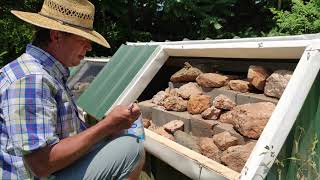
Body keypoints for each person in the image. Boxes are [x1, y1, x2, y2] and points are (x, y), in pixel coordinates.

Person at [0, 0, 145, 179]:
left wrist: (108, 128)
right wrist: (107, 126)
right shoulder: (32, 80)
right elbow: (41, 165)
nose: (89, 47)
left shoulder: (48, 73)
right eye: (83, 39)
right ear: (56, 36)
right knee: (130, 149)